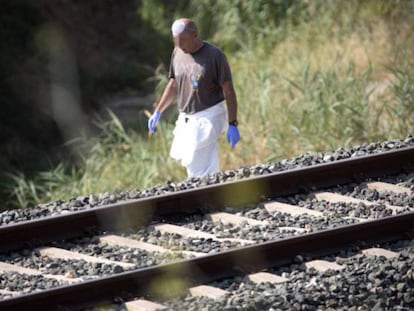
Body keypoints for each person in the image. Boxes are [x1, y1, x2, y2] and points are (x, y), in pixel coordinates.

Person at [148, 18, 240, 178]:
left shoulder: (214, 55)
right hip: (187, 118)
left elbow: (229, 90)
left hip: (209, 115)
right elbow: (173, 84)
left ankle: (206, 194)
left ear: (195, 35)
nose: (180, 45)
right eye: (176, 41)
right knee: (191, 162)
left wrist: (232, 123)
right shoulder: (177, 52)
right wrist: (158, 111)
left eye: (183, 41)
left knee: (200, 162)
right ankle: (205, 193)